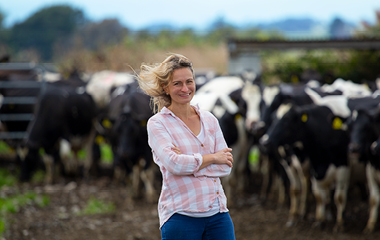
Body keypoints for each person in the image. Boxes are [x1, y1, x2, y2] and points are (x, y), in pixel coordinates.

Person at [137, 53, 236, 240]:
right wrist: (213, 158)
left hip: (218, 215)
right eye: (177, 84)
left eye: (189, 81)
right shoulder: (158, 124)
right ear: (165, 87)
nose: (185, 88)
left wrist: (188, 164)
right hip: (181, 217)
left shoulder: (209, 119)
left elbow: (226, 166)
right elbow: (175, 165)